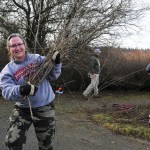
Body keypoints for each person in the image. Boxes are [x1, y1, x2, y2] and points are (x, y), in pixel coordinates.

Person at [0, 33, 62, 150]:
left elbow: (53, 75)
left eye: (20, 44)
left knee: (46, 144)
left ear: (25, 45)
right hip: (23, 109)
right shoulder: (7, 70)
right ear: (9, 49)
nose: (17, 48)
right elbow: (6, 91)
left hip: (45, 107)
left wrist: (57, 63)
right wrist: (21, 89)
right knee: (12, 141)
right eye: (13, 46)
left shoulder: (37, 59)